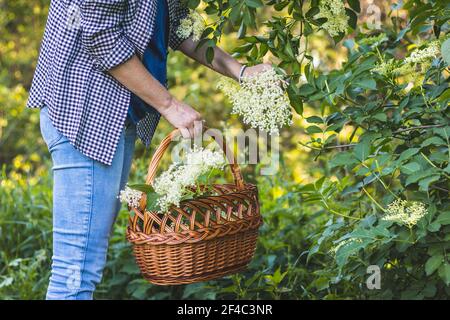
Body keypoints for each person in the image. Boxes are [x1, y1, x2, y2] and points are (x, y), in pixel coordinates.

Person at [27, 0, 270, 299]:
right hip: (85, 115)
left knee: (84, 266)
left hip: (116, 116)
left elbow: (180, 26)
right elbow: (101, 35)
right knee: (75, 272)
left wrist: (242, 72)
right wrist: (170, 105)